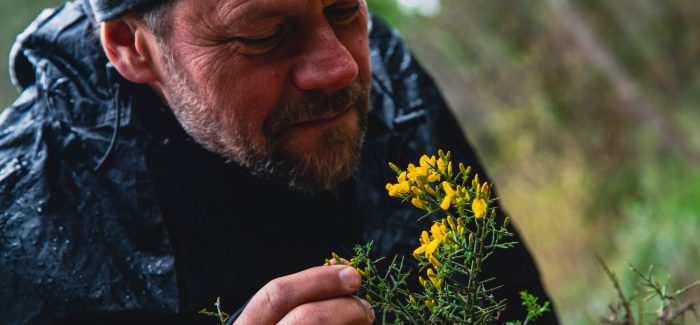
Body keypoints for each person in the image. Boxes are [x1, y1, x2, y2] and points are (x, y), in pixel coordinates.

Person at [0, 0, 558, 323]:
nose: (339, 67)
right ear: (130, 46)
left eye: (343, 9)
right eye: (264, 35)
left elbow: (509, 299)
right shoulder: (20, 217)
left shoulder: (382, 69)